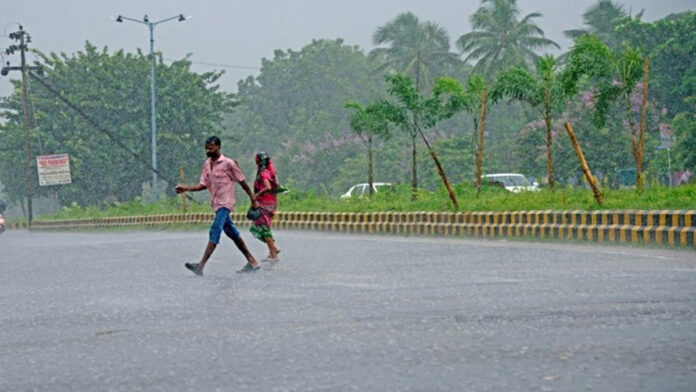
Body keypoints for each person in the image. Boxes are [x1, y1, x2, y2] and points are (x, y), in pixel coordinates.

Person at [175, 136, 260, 275]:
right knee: (232, 233)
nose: (208, 150)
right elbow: (203, 185)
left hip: (226, 203)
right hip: (216, 203)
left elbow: (242, 182)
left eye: (211, 148)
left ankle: (200, 266)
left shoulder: (229, 164)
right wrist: (186, 188)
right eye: (206, 148)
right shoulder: (207, 164)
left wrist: (253, 199)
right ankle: (252, 261)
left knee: (215, 230)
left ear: (219, 147)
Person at [251, 152, 281, 262]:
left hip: (265, 204)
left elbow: (268, 187)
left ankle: (274, 254)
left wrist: (257, 195)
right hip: (270, 203)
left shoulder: (263, 173)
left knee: (264, 228)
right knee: (260, 226)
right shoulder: (268, 172)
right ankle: (273, 249)